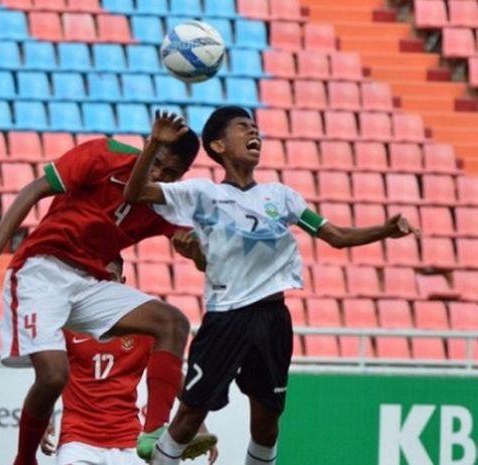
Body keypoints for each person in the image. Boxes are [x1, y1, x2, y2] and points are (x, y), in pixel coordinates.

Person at [123, 107, 421, 465]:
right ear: (217, 145)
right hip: (225, 319)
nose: (254, 132)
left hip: (273, 318)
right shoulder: (201, 194)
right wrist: (155, 143)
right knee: (188, 419)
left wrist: (386, 230)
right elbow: (135, 193)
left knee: (266, 426)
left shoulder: (282, 197)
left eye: (255, 127)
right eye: (242, 127)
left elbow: (337, 236)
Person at [0, 115, 216, 465]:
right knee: (54, 375)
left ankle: (154, 435)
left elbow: (198, 255)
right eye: (157, 163)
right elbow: (34, 189)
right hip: (42, 269)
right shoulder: (103, 154)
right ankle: (24, 459)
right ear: (149, 146)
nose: (160, 176)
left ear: (181, 176)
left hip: (90, 283)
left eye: (171, 174)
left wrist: (196, 252)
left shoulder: (167, 203)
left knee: (172, 322)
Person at [40, 257, 218, 465]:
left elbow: (173, 378)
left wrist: (197, 426)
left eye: (110, 278)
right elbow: (51, 376)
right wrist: (43, 418)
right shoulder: (70, 324)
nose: (104, 285)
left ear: (122, 281)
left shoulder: (144, 329)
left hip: (127, 443)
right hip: (78, 441)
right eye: (98, 279)